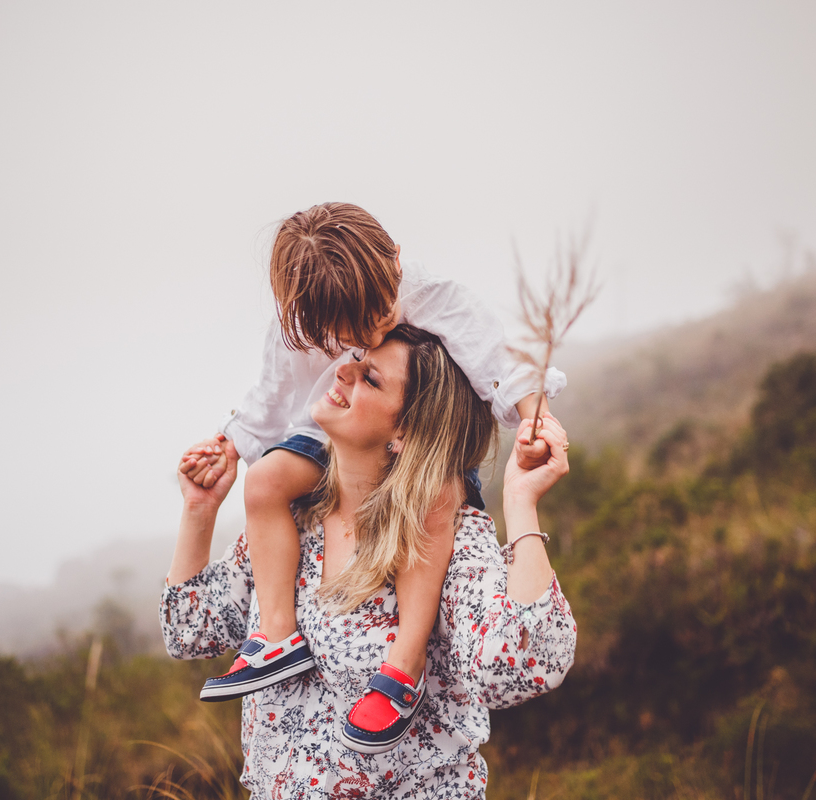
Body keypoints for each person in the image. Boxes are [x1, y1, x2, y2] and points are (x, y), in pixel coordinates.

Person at [178, 202, 566, 752]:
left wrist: (532, 412)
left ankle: (403, 665)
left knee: (435, 496)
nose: (374, 329)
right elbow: (268, 398)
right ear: (305, 321)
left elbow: (494, 358)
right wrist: (229, 449)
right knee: (263, 482)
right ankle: (277, 633)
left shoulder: (434, 293)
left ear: (397, 260)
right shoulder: (295, 334)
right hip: (327, 437)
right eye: (350, 333)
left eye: (382, 310)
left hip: (412, 444)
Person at [162, 325, 576, 798]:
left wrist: (520, 501)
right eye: (354, 360)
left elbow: (521, 667)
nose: (342, 371)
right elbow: (190, 631)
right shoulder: (295, 522)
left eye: (370, 379)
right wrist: (199, 509)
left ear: (405, 429)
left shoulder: (449, 540)